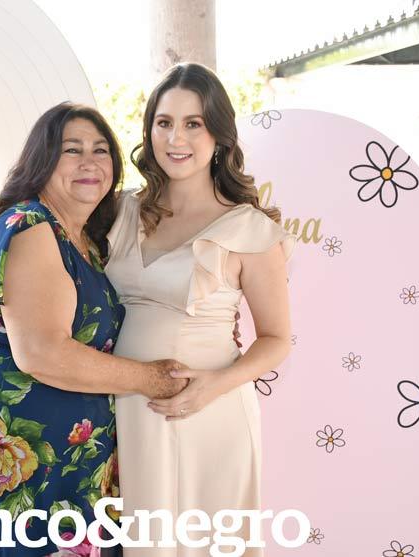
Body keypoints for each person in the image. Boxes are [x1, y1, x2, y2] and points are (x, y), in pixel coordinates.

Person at [0, 102, 186, 557]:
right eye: (72, 150)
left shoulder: (85, 242)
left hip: (62, 464)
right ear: (42, 161)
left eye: (101, 150)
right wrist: (152, 378)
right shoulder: (30, 226)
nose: (89, 162)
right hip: (7, 462)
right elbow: (42, 352)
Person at [105, 63, 295, 557]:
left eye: (194, 123)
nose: (176, 138)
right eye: (164, 122)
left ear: (219, 134)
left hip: (209, 411)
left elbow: (277, 339)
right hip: (127, 411)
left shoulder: (249, 228)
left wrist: (214, 385)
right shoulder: (121, 211)